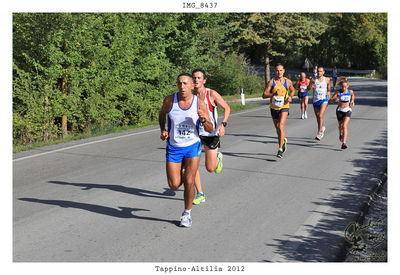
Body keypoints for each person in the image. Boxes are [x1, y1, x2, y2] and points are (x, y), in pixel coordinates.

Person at [159, 73, 213, 227]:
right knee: (174, 185)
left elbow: (209, 128)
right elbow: (162, 114)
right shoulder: (170, 100)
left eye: (185, 83)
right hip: (174, 147)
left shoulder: (199, 103)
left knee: (189, 181)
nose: (182, 87)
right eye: (179, 83)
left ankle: (186, 213)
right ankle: (183, 173)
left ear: (192, 85)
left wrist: (203, 119)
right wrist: (163, 129)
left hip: (192, 146)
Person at [191, 69, 231, 205]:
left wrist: (223, 124)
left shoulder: (211, 94)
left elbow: (227, 108)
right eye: (194, 78)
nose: (196, 80)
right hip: (195, 135)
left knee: (210, 168)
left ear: (204, 80)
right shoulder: (189, 96)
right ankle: (200, 193)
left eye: (198, 78)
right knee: (191, 166)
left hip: (212, 133)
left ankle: (218, 158)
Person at [262, 64, 295, 158]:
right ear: (275, 71)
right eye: (277, 70)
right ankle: (283, 141)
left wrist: (290, 97)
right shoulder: (271, 82)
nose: (279, 72)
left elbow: (292, 90)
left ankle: (280, 149)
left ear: (284, 71)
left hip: (284, 106)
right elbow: (264, 95)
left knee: (281, 126)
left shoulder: (288, 82)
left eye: (281, 70)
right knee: (278, 128)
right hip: (274, 108)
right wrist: (273, 94)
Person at [329, 77, 355, 149]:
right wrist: (334, 99)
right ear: (341, 86)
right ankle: (340, 133)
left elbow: (353, 95)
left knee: (344, 126)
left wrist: (352, 100)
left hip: (347, 110)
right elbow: (330, 100)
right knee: (340, 126)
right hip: (340, 110)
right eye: (342, 87)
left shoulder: (350, 91)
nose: (344, 88)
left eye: (345, 87)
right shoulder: (338, 92)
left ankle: (344, 143)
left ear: (348, 86)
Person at [308, 66, 331, 141]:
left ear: (323, 72)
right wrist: (310, 86)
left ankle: (320, 132)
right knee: (318, 117)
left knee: (320, 115)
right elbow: (308, 88)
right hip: (315, 100)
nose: (319, 72)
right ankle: (321, 128)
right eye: (318, 71)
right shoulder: (313, 79)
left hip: (324, 99)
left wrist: (328, 91)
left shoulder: (327, 79)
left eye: (320, 71)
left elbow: (328, 86)